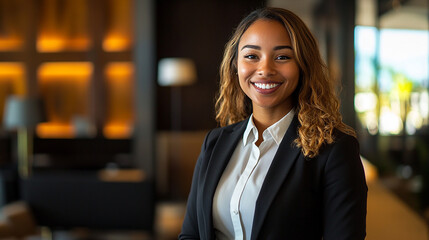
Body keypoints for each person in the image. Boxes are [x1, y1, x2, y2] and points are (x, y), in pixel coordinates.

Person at [179, 7, 367, 240]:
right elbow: (190, 234)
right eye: (251, 56)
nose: (265, 69)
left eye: (282, 57)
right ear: (235, 64)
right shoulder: (215, 142)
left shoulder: (335, 149)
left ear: (302, 65)